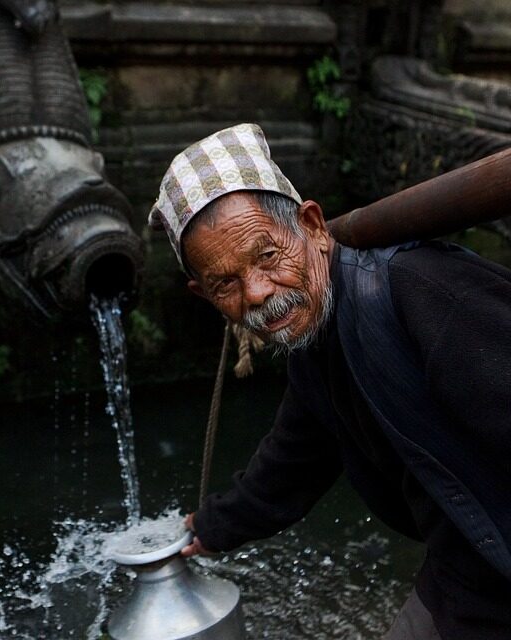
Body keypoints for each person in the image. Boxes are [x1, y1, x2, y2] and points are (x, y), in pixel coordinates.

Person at [147, 123, 511, 639]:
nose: (255, 293)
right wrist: (208, 529)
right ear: (203, 295)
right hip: (466, 572)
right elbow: (295, 460)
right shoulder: (315, 343)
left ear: (313, 226)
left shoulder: (426, 292)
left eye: (268, 256)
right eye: (225, 283)